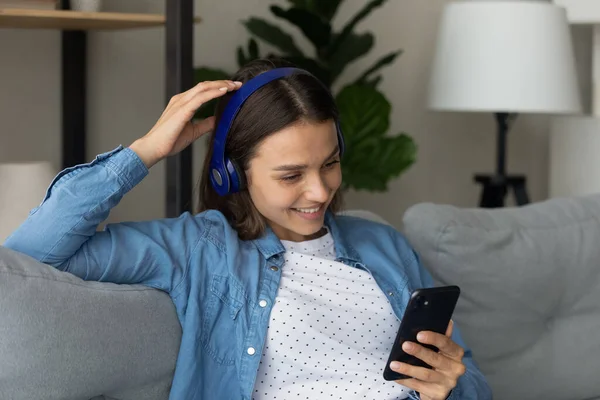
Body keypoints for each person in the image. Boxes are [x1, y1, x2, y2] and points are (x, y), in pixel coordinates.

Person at [3, 58, 491, 400]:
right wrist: (145, 151)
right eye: (291, 175)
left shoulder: (383, 245)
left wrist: (449, 387)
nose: (320, 192)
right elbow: (33, 254)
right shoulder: (199, 248)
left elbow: (471, 383)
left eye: (330, 163)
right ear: (230, 173)